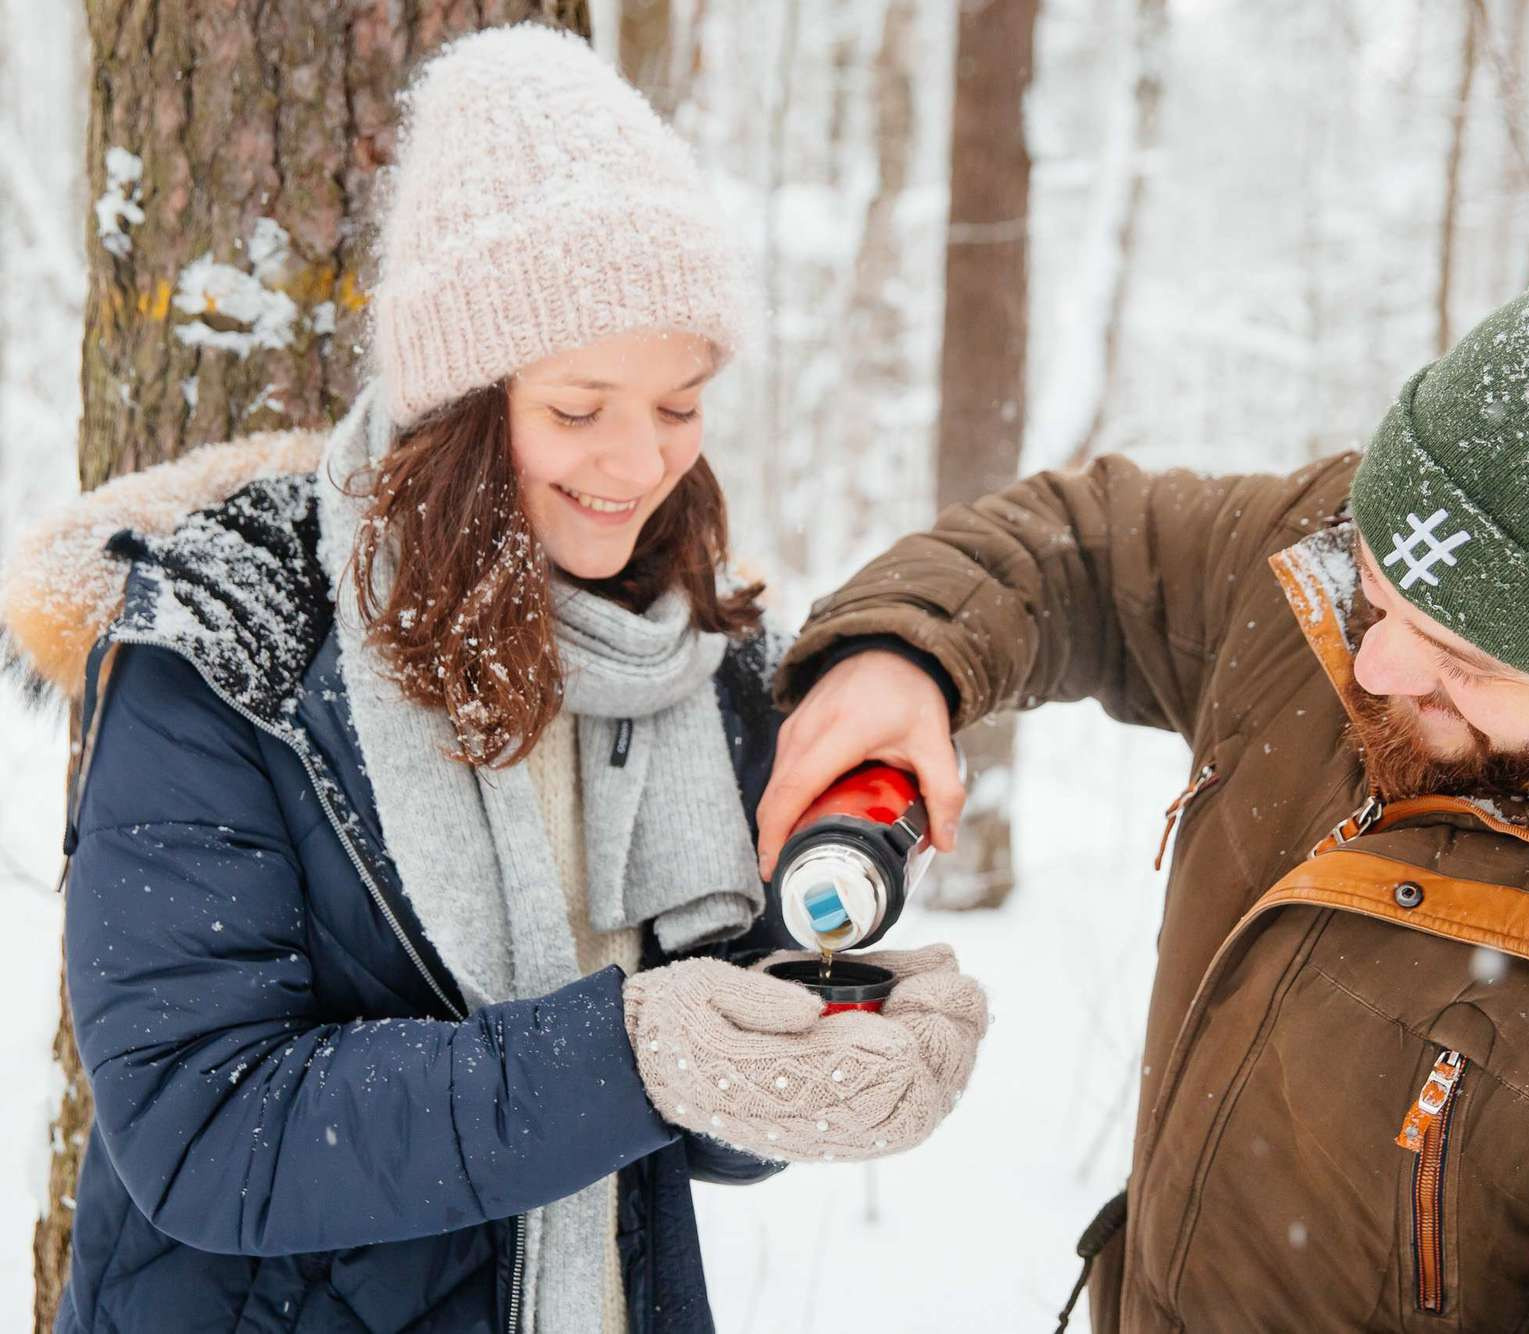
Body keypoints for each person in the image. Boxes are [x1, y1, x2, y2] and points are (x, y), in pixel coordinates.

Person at [758, 201, 1529, 1330]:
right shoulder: (1362, 589)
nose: (1376, 666)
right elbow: (1080, 545)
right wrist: (904, 655)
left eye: (1465, 655)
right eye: (1378, 590)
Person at [0, 24, 985, 1334]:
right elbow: (203, 1122)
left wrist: (819, 1028)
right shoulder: (235, 643)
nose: (640, 464)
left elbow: (689, 1107)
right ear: (459, 394)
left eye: (681, 403)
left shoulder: (693, 655)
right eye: (581, 408)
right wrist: (632, 1050)